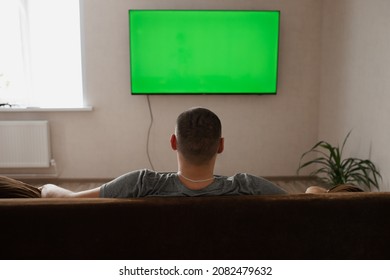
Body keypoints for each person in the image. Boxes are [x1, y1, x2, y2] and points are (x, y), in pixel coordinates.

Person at [1, 107, 286, 198]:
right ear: (221, 145)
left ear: (173, 143)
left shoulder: (140, 184)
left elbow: (71, 200)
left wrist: (48, 188)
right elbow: (305, 201)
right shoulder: (250, 187)